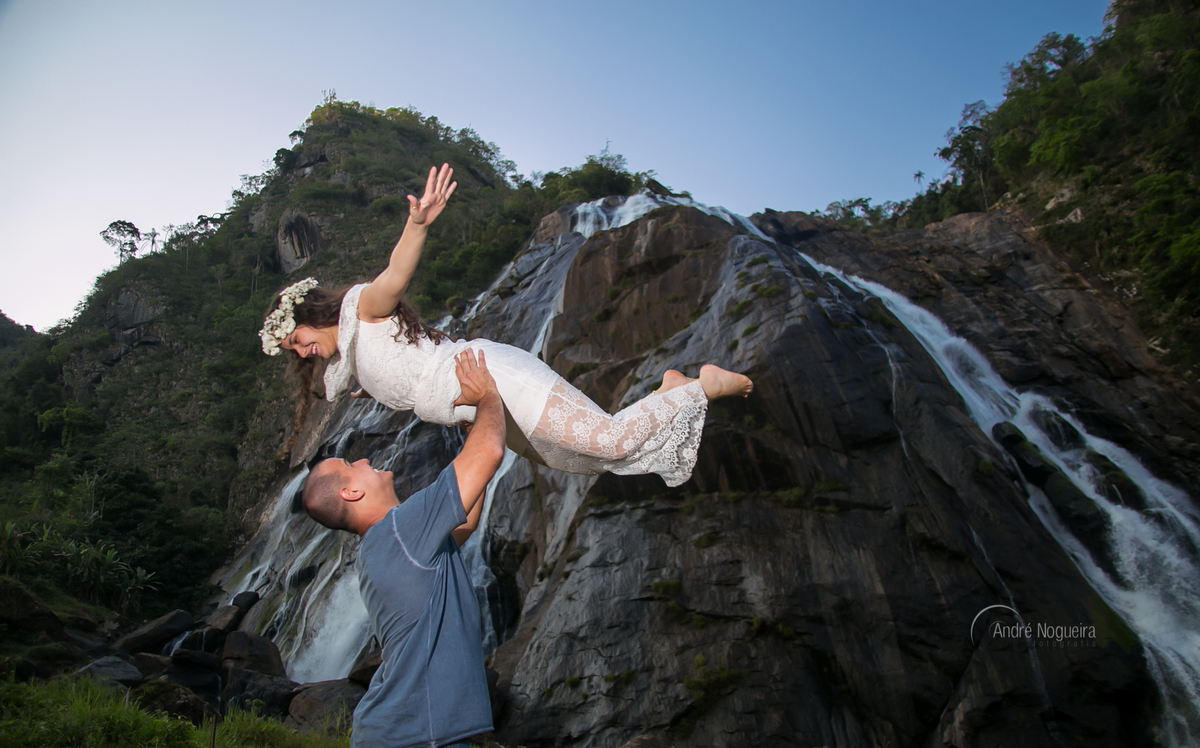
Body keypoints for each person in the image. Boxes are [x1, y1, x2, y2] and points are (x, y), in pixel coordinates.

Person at [262, 163, 753, 487]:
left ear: (311, 316)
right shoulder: (352, 365)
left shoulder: (361, 309)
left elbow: (392, 278)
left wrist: (417, 226)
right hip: (480, 411)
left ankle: (699, 386)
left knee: (611, 441)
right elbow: (391, 373)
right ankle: (667, 391)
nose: (300, 351)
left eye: (297, 340)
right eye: (291, 351)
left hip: (491, 377)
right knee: (586, 462)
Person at [301, 347, 503, 748]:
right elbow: (491, 451)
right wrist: (489, 397)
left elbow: (467, 519)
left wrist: (475, 429)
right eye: (350, 465)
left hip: (407, 733)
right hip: (415, 736)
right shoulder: (400, 529)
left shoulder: (385, 548)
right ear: (351, 491)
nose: (362, 460)